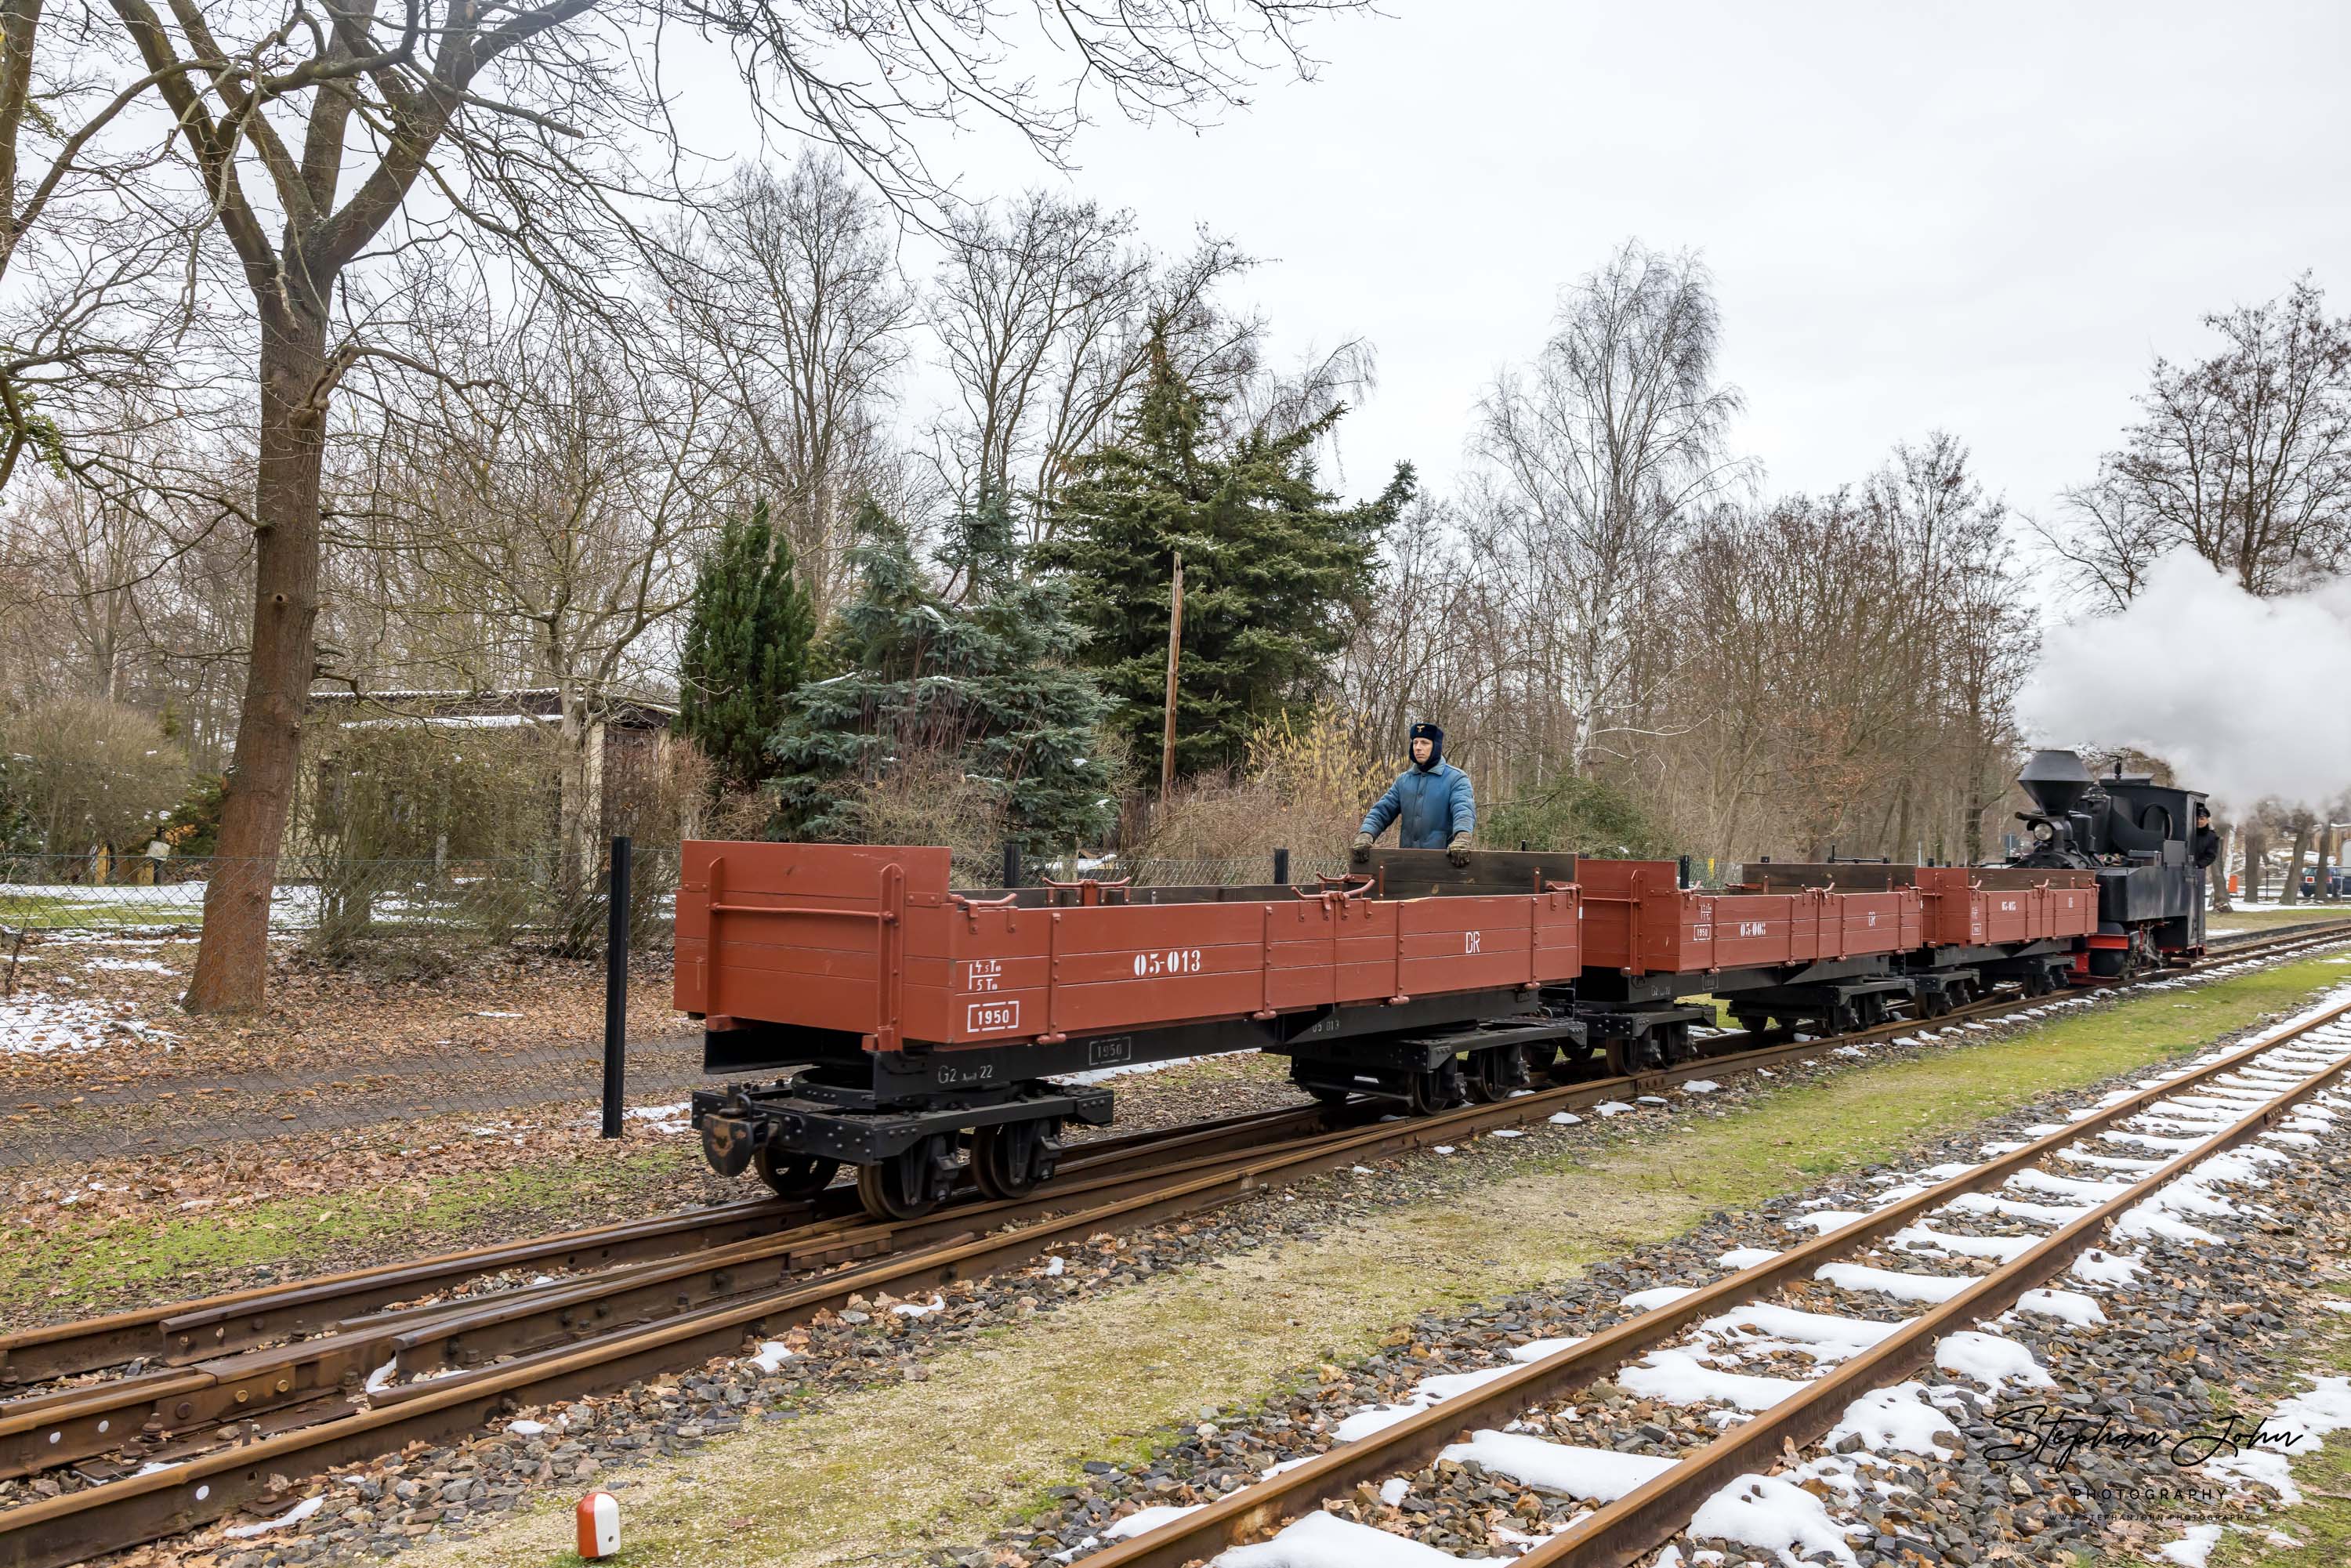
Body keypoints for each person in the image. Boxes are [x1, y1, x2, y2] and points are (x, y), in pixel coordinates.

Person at [1353, 722, 1475, 866]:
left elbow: (1463, 810)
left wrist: (1462, 837)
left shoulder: (1456, 778)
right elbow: (1382, 811)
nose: (1418, 747)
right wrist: (1366, 834)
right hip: (1407, 863)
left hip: (1444, 864)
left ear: (1436, 746)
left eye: (1424, 743)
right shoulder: (1404, 781)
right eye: (1415, 742)